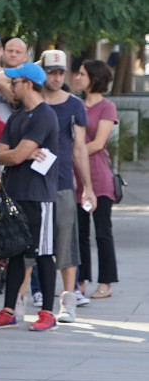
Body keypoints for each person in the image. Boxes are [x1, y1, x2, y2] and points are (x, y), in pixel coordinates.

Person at [0, 63, 60, 333]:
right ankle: (8, 311)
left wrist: (16, 153)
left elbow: (12, 155)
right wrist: (18, 152)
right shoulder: (18, 116)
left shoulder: (44, 116)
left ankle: (47, 313)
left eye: (15, 82)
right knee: (15, 253)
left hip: (39, 196)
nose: (11, 86)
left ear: (28, 83)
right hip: (14, 193)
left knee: (43, 253)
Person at [37, 50, 95, 323]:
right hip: (31, 184)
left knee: (66, 242)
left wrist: (88, 187)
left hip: (61, 182)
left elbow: (80, 148)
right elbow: (1, 78)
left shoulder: (74, 105)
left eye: (61, 72)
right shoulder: (30, 99)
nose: (56, 77)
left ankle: (68, 299)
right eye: (51, 71)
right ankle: (19, 302)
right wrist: (33, 69)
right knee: (29, 247)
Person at [73, 60, 120, 299]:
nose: (77, 77)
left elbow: (99, 143)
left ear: (94, 78)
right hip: (76, 178)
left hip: (99, 177)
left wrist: (74, 153)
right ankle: (80, 281)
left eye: (82, 74)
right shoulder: (75, 105)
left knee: (102, 232)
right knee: (79, 233)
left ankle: (105, 283)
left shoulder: (106, 107)